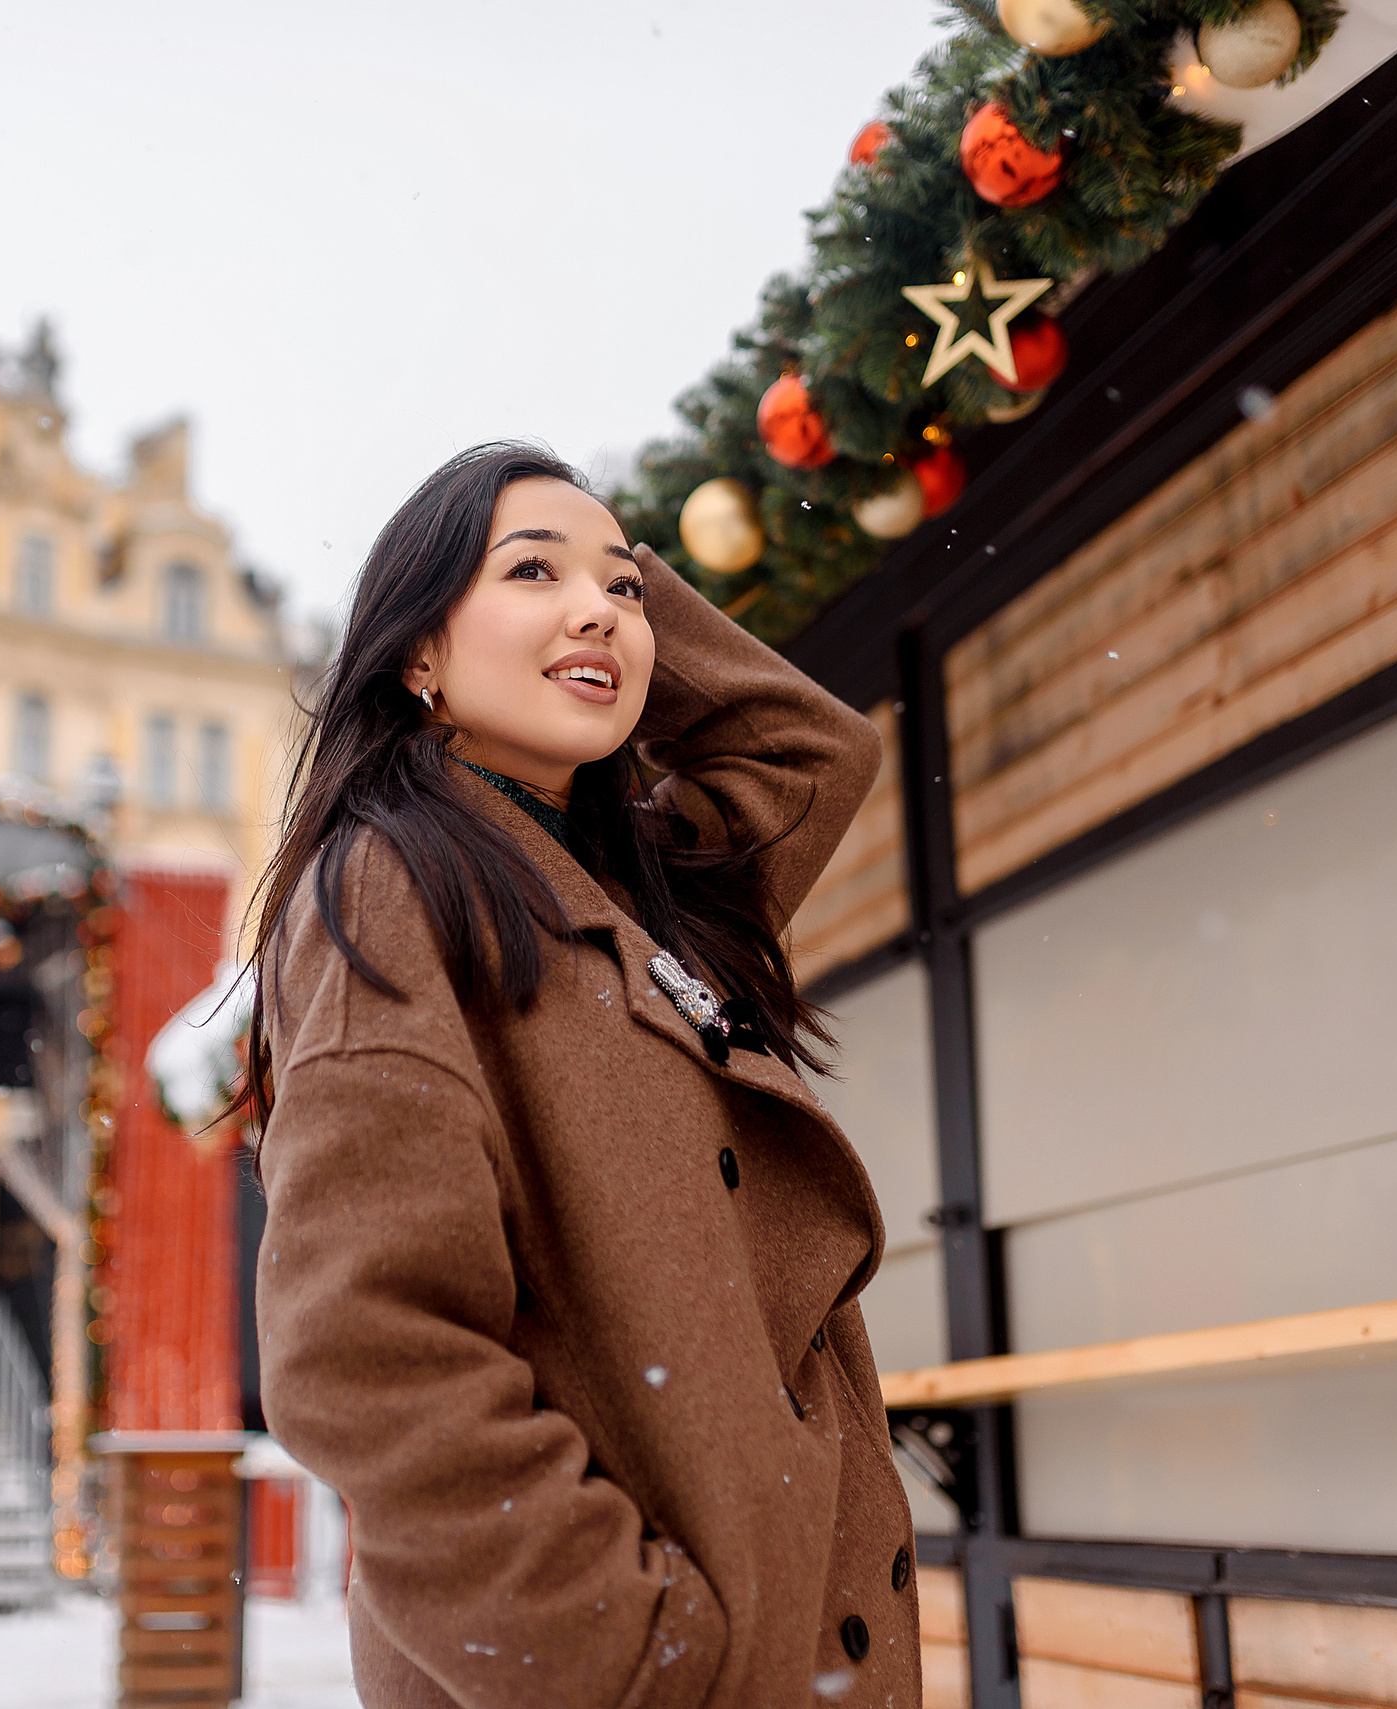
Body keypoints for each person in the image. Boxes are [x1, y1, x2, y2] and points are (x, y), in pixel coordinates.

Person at [245, 443, 918, 1707]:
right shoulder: (391, 884)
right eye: (529, 570)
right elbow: (365, 1345)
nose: (599, 609)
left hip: (794, 1637)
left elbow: (808, 751)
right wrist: (627, 1652)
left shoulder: (639, 884)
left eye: (623, 589)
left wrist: (604, 580)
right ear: (417, 651)